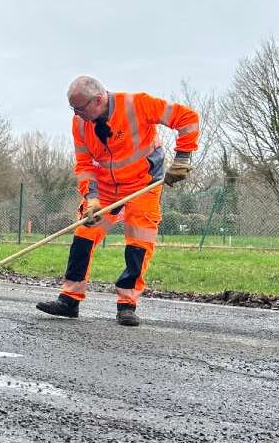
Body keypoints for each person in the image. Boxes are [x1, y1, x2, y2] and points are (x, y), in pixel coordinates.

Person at [36, 76, 198, 326]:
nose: (77, 114)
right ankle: (69, 299)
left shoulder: (137, 105)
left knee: (139, 242)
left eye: (79, 108)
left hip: (143, 183)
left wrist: (183, 159)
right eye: (73, 109)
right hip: (105, 186)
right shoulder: (80, 124)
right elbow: (84, 164)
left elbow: (186, 118)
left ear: (98, 100)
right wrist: (91, 199)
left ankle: (127, 305)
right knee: (84, 235)